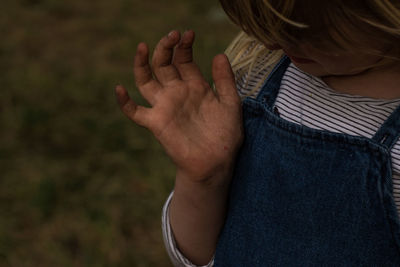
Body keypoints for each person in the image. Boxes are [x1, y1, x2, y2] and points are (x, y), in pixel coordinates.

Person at [115, 0, 400, 266]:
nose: (273, 42)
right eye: (266, 26)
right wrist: (205, 179)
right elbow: (201, 256)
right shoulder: (257, 75)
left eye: (302, 30)